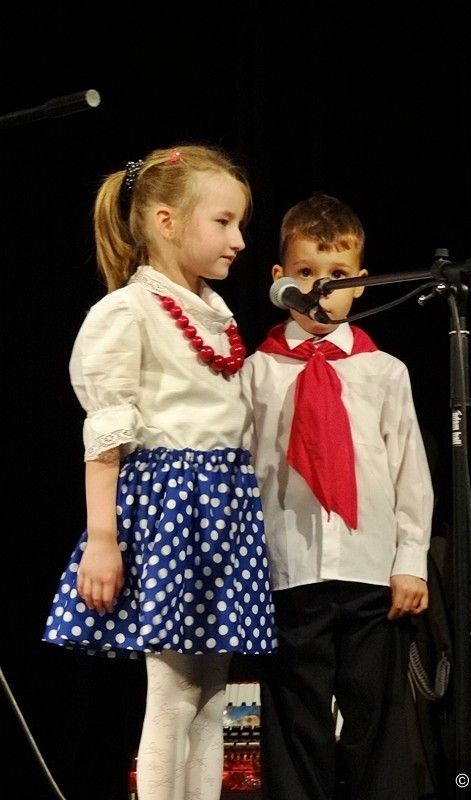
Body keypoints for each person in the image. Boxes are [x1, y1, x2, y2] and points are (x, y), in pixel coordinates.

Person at [42, 143, 276, 800]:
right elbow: (105, 439)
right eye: (223, 222)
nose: (238, 240)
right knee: (172, 692)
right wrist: (103, 539)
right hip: (172, 506)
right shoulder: (127, 313)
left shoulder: (216, 314)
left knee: (216, 695)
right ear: (166, 222)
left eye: (239, 224)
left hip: (222, 506)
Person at [240, 193, 434, 800]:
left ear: (361, 284)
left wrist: (410, 561)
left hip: (371, 571)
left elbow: (409, 475)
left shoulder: (384, 372)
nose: (321, 290)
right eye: (305, 273)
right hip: (288, 570)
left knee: (376, 718)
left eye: (337, 276)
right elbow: (244, 474)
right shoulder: (256, 372)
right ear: (280, 279)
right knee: (296, 722)